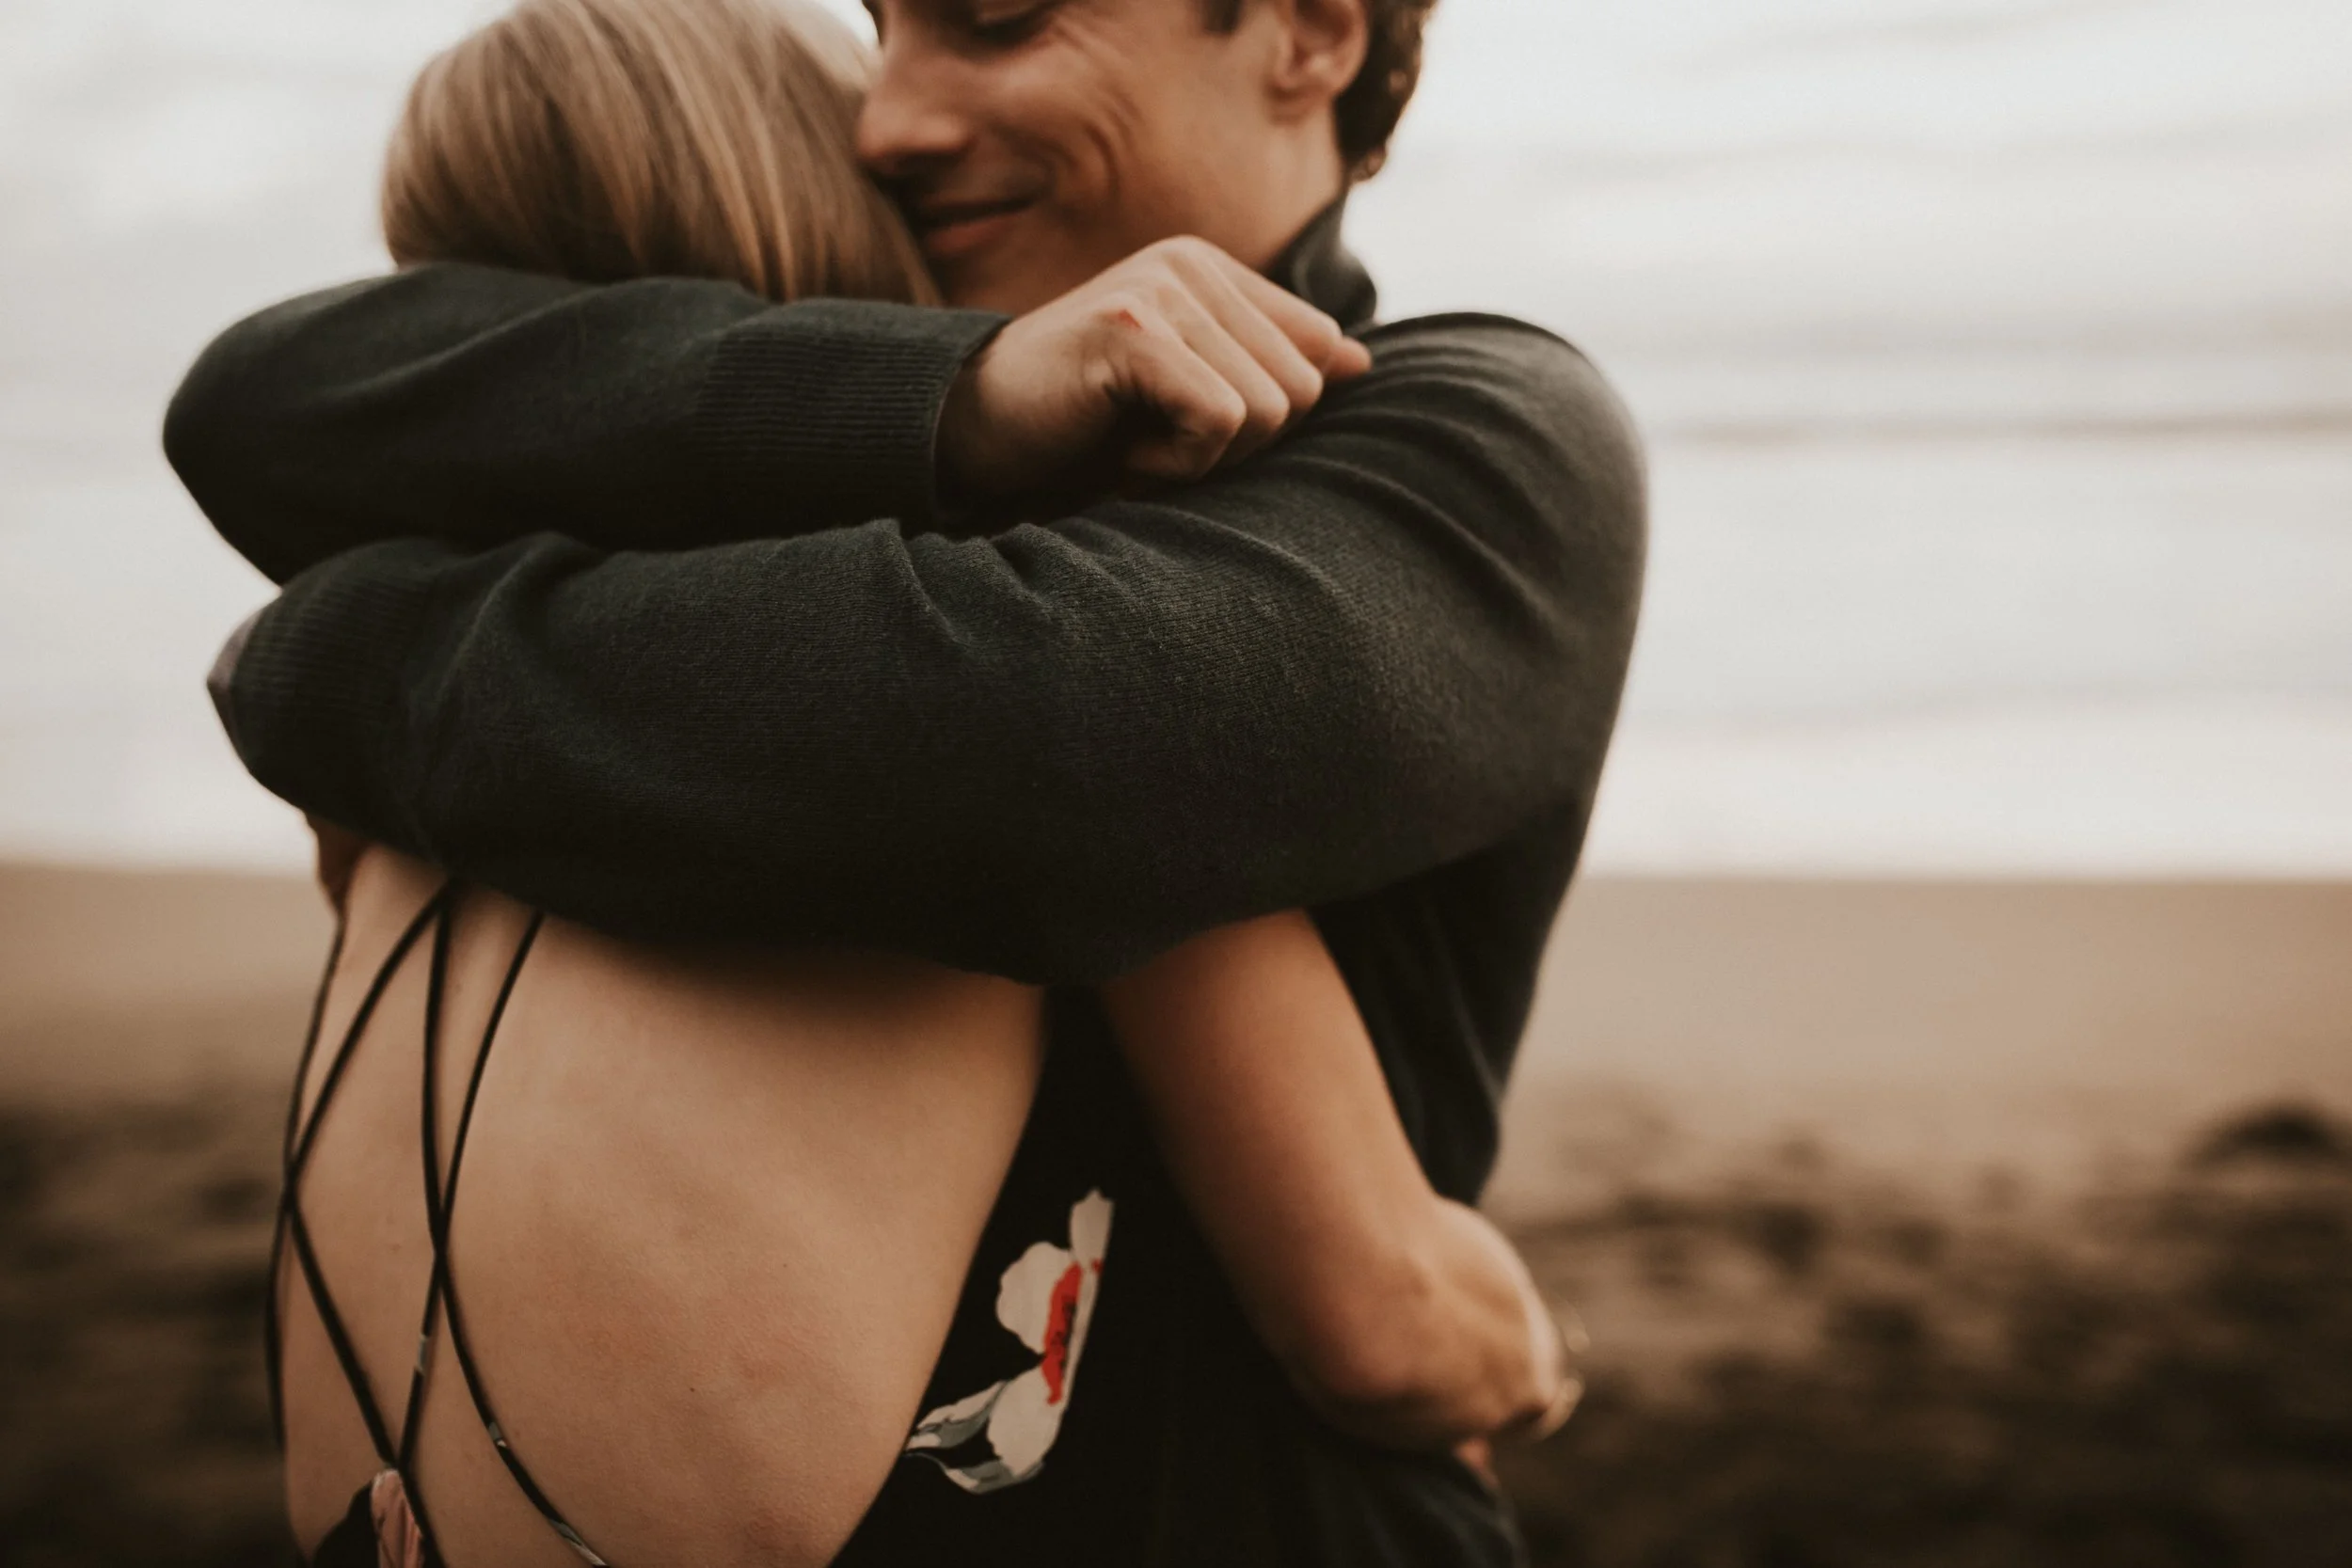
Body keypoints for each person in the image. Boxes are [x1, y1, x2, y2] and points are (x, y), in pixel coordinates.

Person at [168, 0, 1647, 1560]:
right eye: (886, 28)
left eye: (997, 21)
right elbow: (244, 405)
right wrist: (966, 389)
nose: (890, 118)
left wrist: (338, 651)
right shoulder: (929, 430)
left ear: (1308, 31)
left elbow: (1027, 750)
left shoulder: (1479, 434)